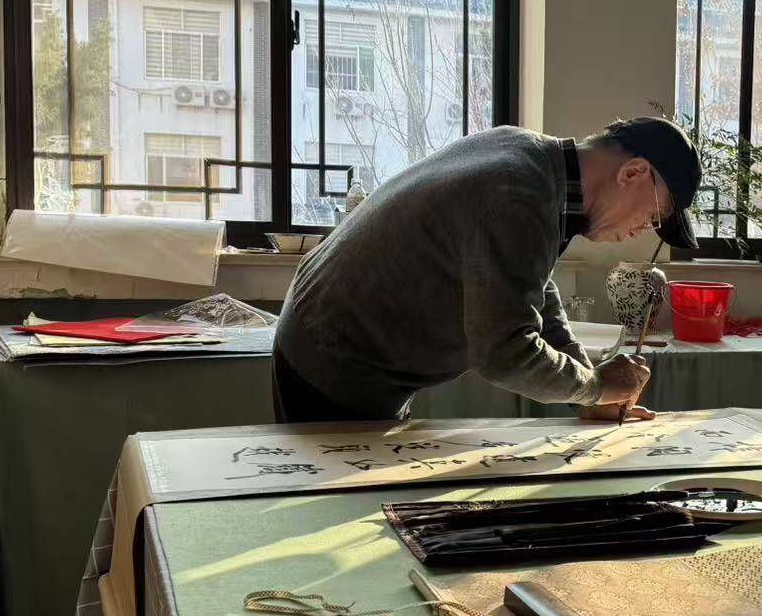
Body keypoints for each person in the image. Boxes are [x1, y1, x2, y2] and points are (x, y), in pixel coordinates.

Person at [272, 116, 700, 425]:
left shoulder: (530, 158)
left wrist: (587, 395)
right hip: (335, 359)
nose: (641, 230)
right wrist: (595, 387)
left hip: (335, 336)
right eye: (653, 215)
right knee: (342, 511)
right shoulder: (518, 194)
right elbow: (504, 353)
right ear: (633, 172)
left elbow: (533, 293)